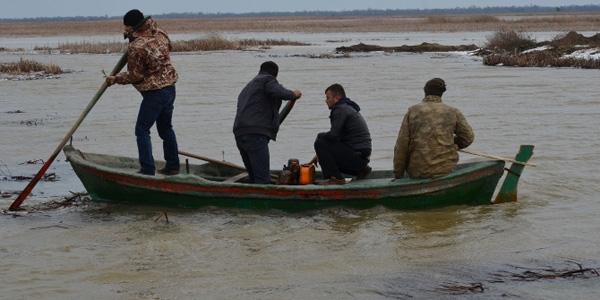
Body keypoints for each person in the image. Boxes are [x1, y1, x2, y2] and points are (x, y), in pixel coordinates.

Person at [106, 9, 180, 176]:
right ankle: (173, 166)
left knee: (142, 129)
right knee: (166, 129)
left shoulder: (137, 46)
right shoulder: (160, 34)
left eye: (125, 27)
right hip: (170, 88)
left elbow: (135, 75)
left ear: (131, 27)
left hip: (155, 93)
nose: (124, 29)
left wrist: (115, 79)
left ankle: (147, 169)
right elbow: (169, 46)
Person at [233, 61, 302, 184]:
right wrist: (294, 94)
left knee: (254, 177)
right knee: (262, 181)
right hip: (255, 135)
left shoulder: (248, 87)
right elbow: (280, 92)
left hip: (240, 134)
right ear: (276, 75)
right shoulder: (267, 80)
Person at [393, 78, 474, 179]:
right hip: (446, 170)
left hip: (418, 171)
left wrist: (398, 175)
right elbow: (468, 138)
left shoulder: (412, 111)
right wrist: (450, 143)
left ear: (425, 92)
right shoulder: (453, 112)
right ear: (441, 93)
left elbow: (401, 146)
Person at [308, 83, 372, 185]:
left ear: (337, 98)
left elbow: (333, 135)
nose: (326, 101)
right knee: (323, 143)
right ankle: (360, 170)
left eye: (328, 97)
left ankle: (335, 178)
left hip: (357, 156)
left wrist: (319, 136)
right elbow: (338, 138)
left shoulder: (340, 109)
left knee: (320, 142)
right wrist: (319, 154)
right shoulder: (347, 107)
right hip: (362, 157)